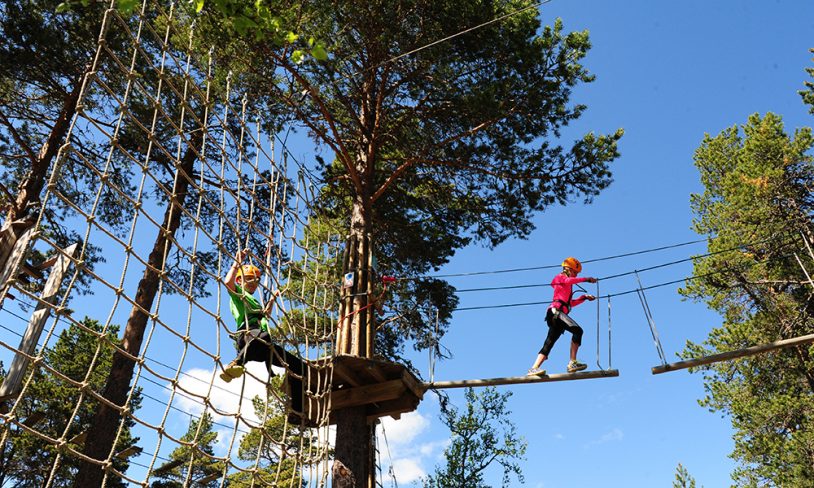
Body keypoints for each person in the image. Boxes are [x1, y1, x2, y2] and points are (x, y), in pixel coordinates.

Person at [220, 250, 304, 413]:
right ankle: (237, 363)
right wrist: (237, 262)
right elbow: (227, 282)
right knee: (263, 336)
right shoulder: (239, 295)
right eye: (249, 278)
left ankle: (298, 408)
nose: (253, 282)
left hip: (262, 347)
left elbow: (265, 315)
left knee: (299, 367)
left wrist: (272, 300)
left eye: (256, 280)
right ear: (240, 280)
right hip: (247, 336)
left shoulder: (254, 302)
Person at [528, 257, 597, 376]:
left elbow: (570, 304)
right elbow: (567, 281)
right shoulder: (560, 277)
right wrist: (586, 279)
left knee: (549, 342)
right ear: (567, 269)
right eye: (575, 272)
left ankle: (534, 368)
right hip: (556, 312)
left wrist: (584, 298)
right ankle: (572, 362)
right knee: (578, 331)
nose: (575, 275)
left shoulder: (567, 287)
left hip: (559, 314)